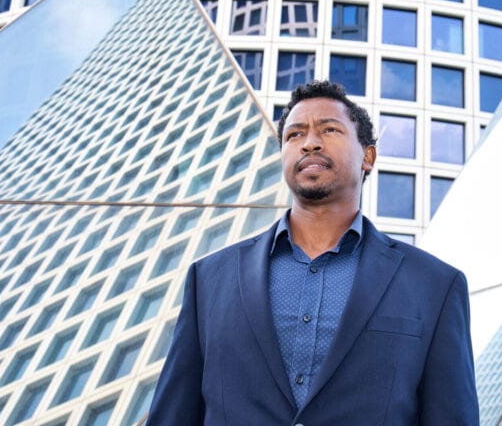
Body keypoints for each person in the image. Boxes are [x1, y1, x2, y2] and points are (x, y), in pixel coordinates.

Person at [147, 80, 479, 425]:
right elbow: (173, 415)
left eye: (329, 130)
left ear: (368, 156)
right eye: (294, 135)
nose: (309, 143)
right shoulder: (209, 280)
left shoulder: (436, 285)